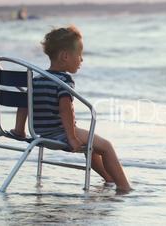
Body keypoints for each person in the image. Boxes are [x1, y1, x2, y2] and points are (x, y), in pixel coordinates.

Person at [10, 25, 131, 192]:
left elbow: (23, 105)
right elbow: (66, 110)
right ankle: (125, 186)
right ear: (65, 56)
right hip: (60, 132)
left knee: (93, 146)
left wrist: (19, 129)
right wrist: (72, 137)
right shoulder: (63, 81)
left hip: (40, 132)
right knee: (107, 146)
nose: (81, 60)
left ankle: (109, 178)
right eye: (79, 55)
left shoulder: (36, 80)